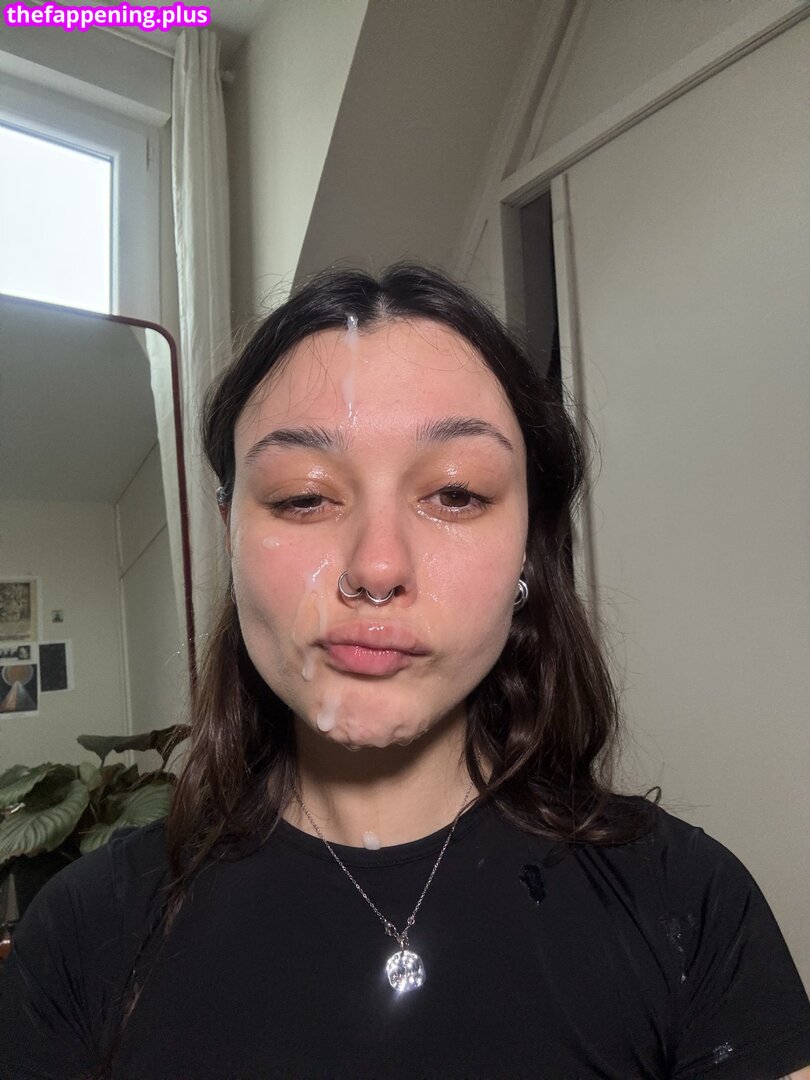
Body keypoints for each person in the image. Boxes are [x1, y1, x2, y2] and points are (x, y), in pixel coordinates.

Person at [1, 265, 808, 1079]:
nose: (378, 568)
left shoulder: (691, 903)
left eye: (456, 494)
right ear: (230, 535)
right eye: (303, 498)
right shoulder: (79, 938)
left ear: (529, 547)